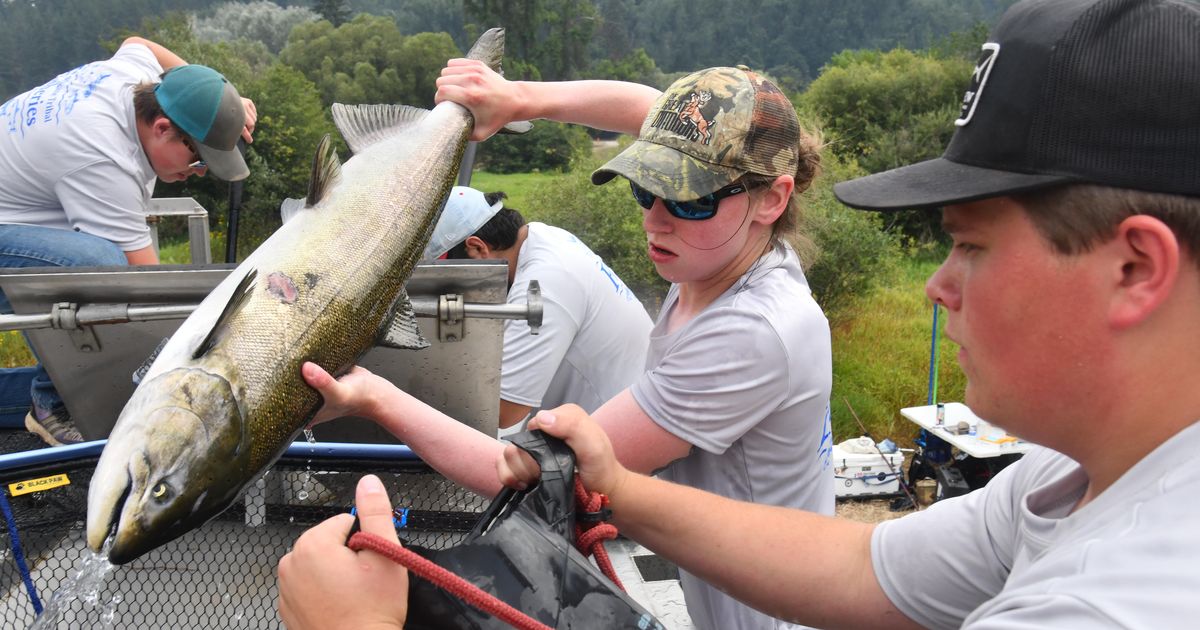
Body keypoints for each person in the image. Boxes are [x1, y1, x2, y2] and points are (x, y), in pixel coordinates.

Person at [488, 1, 1199, 628]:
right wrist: (617, 488)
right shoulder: (1064, 477)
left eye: (970, 244)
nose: (938, 286)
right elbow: (864, 568)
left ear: (1135, 268)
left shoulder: (1117, 603)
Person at [280, 64, 834, 629]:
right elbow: (646, 107)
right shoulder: (735, 250)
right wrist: (518, 98)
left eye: (689, 201)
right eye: (646, 188)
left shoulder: (751, 333)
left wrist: (374, 396)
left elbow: (511, 469)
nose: (656, 221)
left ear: (773, 199)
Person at [0, 36, 257, 445]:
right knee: (101, 265)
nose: (199, 171)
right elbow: (148, 289)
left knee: (102, 285)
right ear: (162, 128)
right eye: (197, 158)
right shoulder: (103, 158)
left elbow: (140, 44)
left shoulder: (138, 82)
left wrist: (220, 103)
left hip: (12, 217)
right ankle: (51, 405)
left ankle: (48, 397)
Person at [426, 185, 652, 432]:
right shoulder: (544, 236)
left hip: (619, 440)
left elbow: (502, 410)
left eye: (448, 271)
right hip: (622, 413)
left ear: (478, 247)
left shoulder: (544, 284)